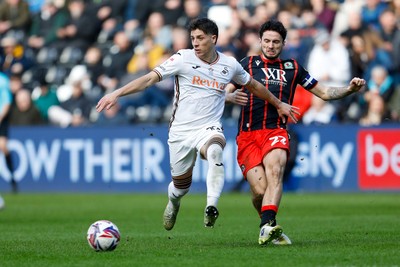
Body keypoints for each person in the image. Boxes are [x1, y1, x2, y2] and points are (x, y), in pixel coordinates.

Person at [96, 18, 298, 231]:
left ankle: (211, 205)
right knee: (181, 187)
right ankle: (173, 203)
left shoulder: (229, 64)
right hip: (181, 132)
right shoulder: (182, 58)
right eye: (193, 38)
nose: (195, 42)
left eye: (200, 38)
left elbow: (254, 85)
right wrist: (116, 93)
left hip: (208, 127)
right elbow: (148, 79)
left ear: (213, 38)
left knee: (215, 150)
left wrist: (278, 103)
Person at [225, 20, 366, 246]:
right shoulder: (246, 64)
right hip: (248, 135)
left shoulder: (293, 68)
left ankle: (265, 226)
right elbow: (223, 91)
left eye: (276, 42)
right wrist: (229, 97)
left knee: (275, 170)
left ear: (284, 44)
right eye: (267, 41)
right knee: (260, 191)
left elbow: (324, 92)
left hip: (276, 130)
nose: (271, 46)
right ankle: (269, 224)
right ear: (260, 41)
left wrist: (349, 89)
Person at [0, 71, 17, 193]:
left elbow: (6, 102)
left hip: (1, 118)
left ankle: (12, 178)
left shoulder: (3, 80)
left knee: (3, 147)